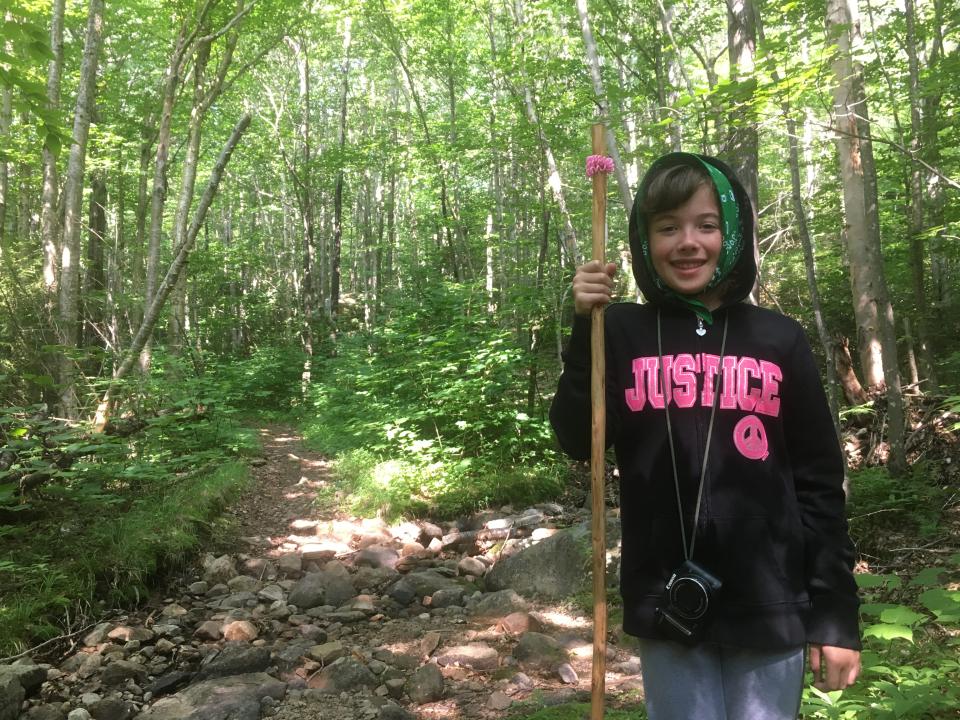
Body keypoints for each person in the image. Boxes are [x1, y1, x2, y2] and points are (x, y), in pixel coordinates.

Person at [550, 152, 861, 720]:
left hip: (771, 603)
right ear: (645, 242)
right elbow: (576, 439)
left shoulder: (779, 339)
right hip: (668, 601)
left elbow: (818, 486)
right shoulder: (619, 330)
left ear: (732, 231)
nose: (687, 242)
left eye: (706, 225)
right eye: (667, 227)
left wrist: (835, 617)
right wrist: (584, 327)